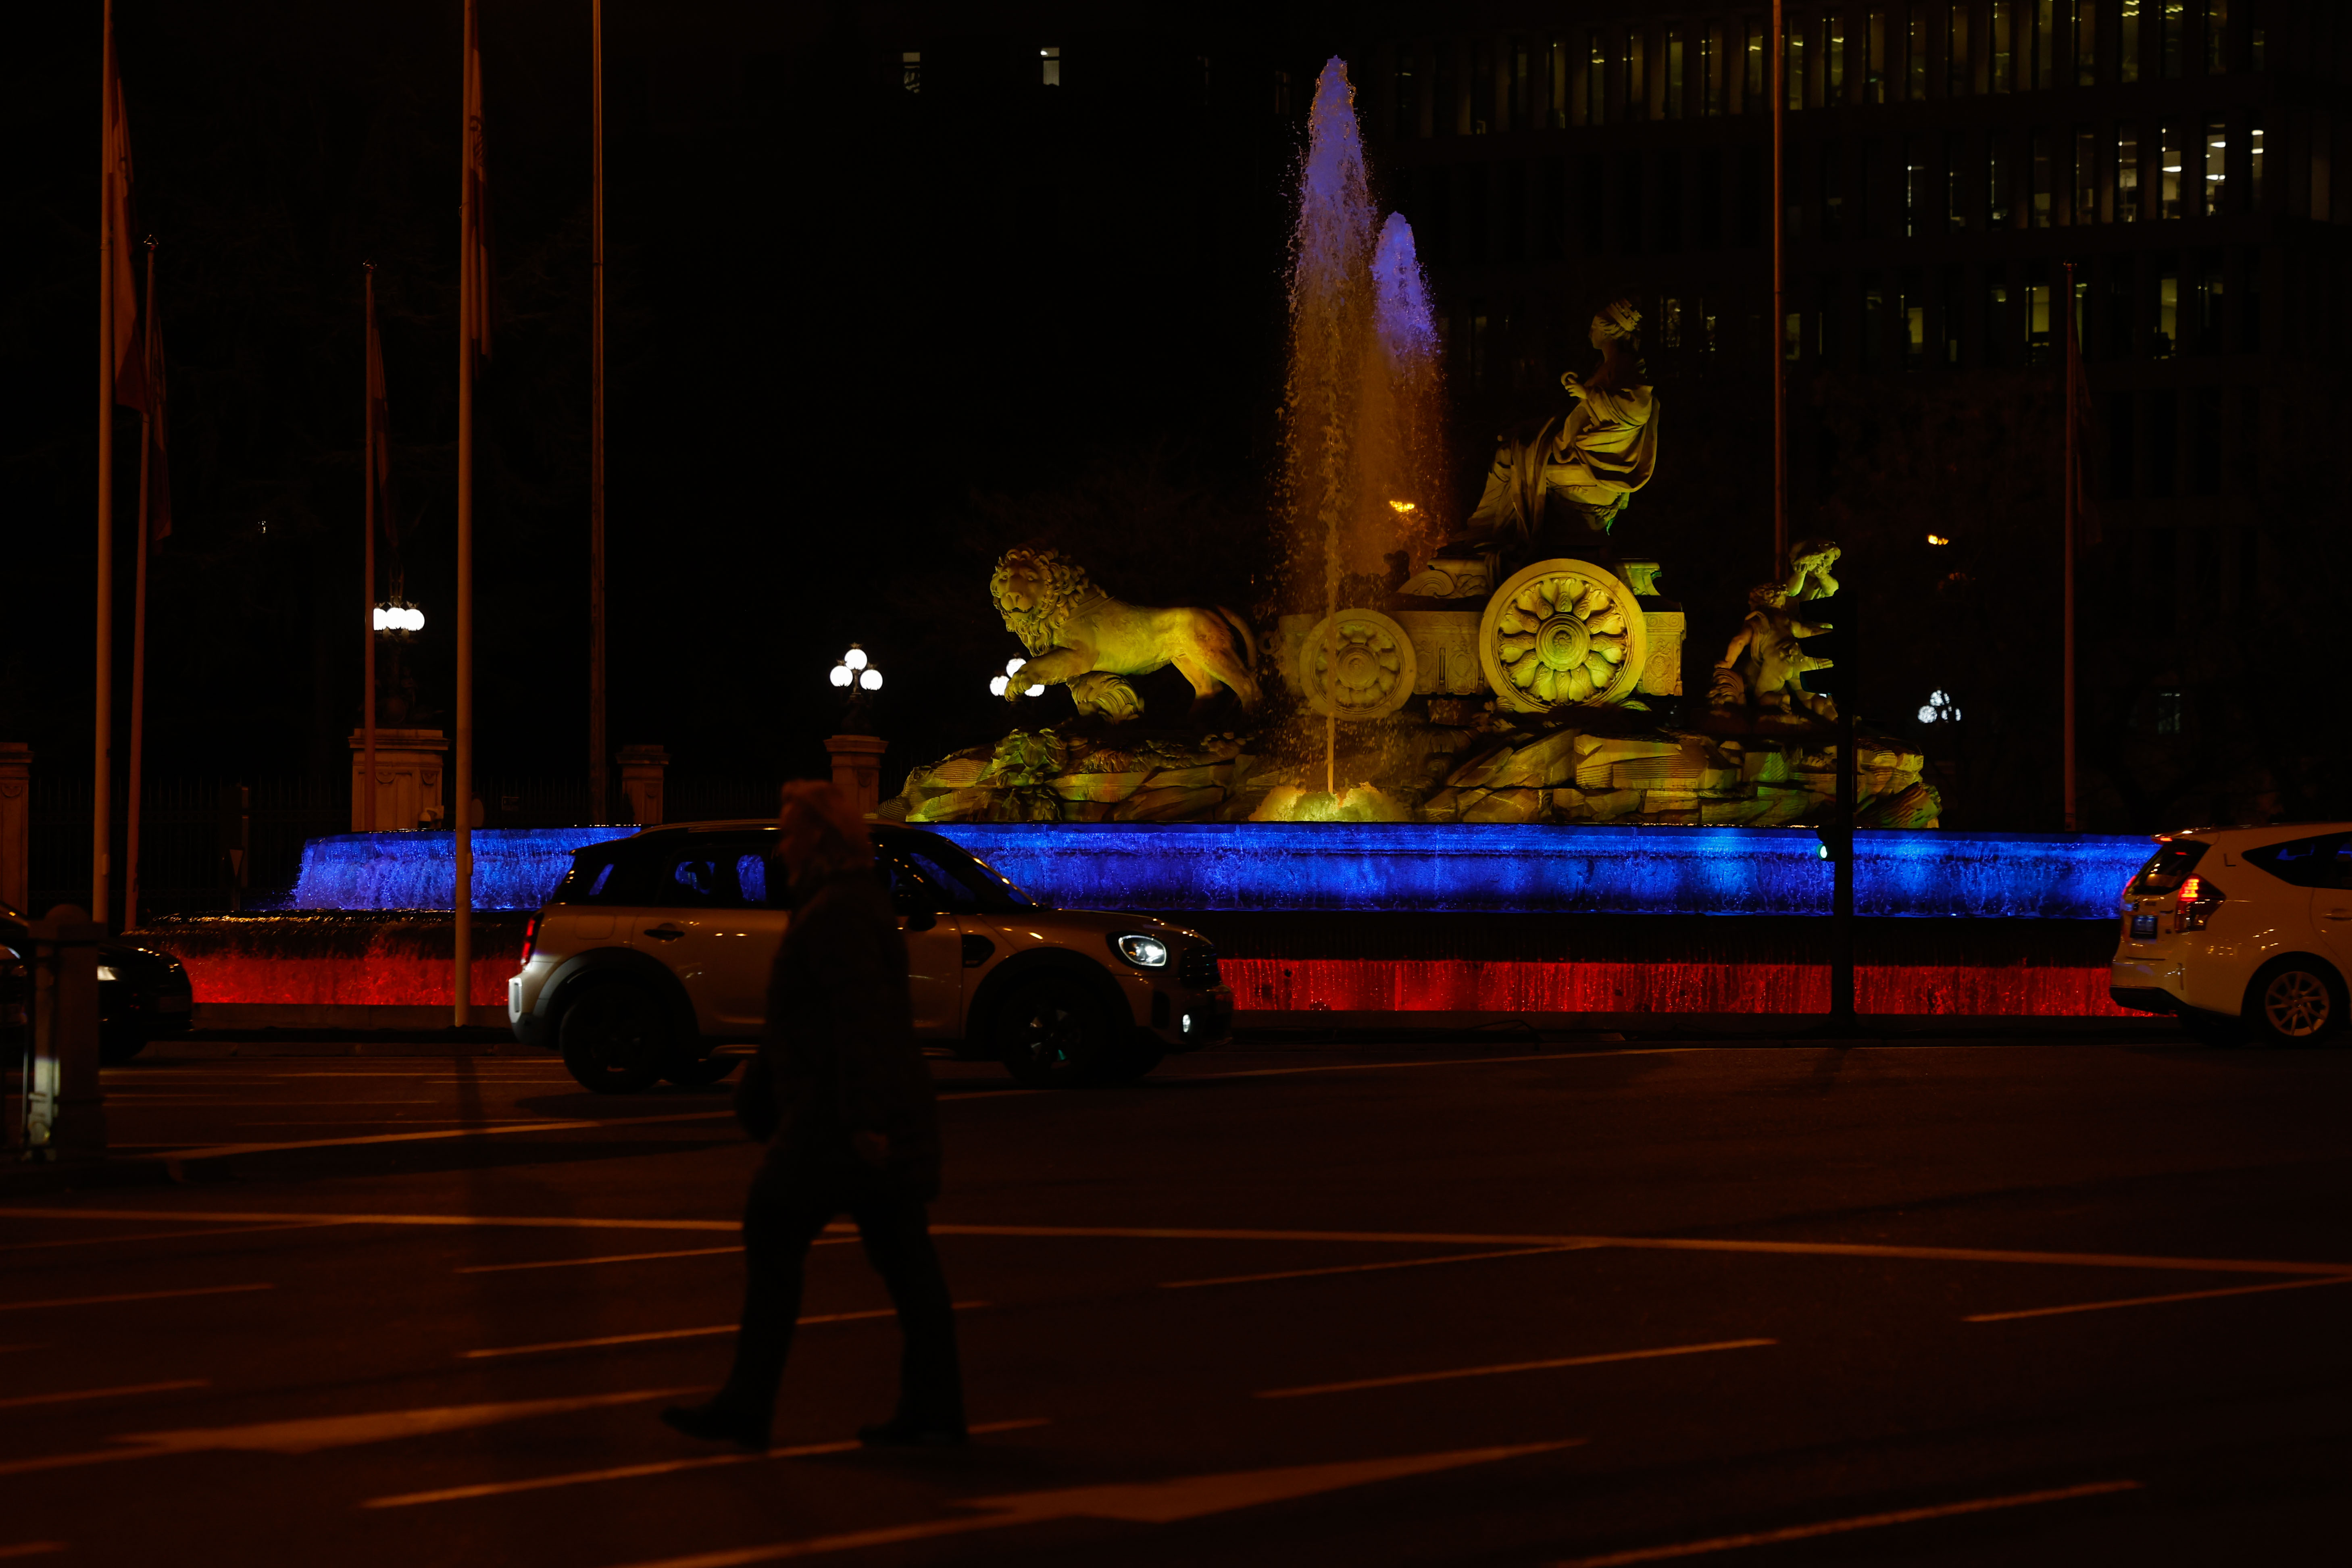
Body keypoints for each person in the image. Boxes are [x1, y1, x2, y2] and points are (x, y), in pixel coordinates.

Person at [662, 781, 965, 1450]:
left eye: (791, 831)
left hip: (838, 1119)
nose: (780, 844)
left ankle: (751, 1403)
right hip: (857, 1112)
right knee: (904, 1260)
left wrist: (863, 1121)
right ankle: (933, 1406)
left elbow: (854, 1021)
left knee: (779, 1233)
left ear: (820, 840)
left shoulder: (836, 912)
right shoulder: (847, 904)